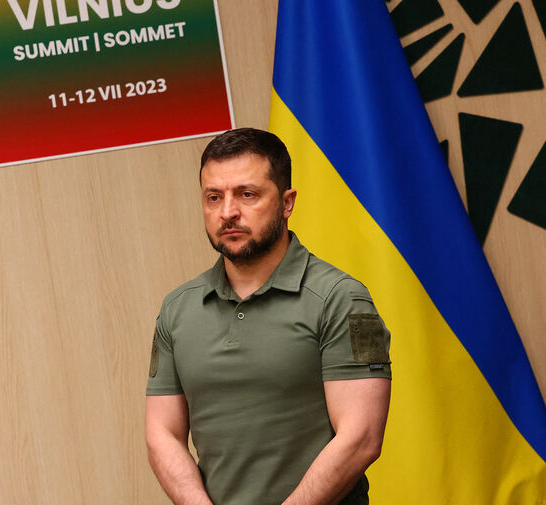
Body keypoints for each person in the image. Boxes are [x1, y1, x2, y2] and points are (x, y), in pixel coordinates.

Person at [145, 128, 391, 505]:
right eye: (214, 197)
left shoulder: (342, 299)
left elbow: (361, 439)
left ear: (287, 202)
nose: (228, 212)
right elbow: (162, 434)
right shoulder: (177, 309)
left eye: (247, 194)